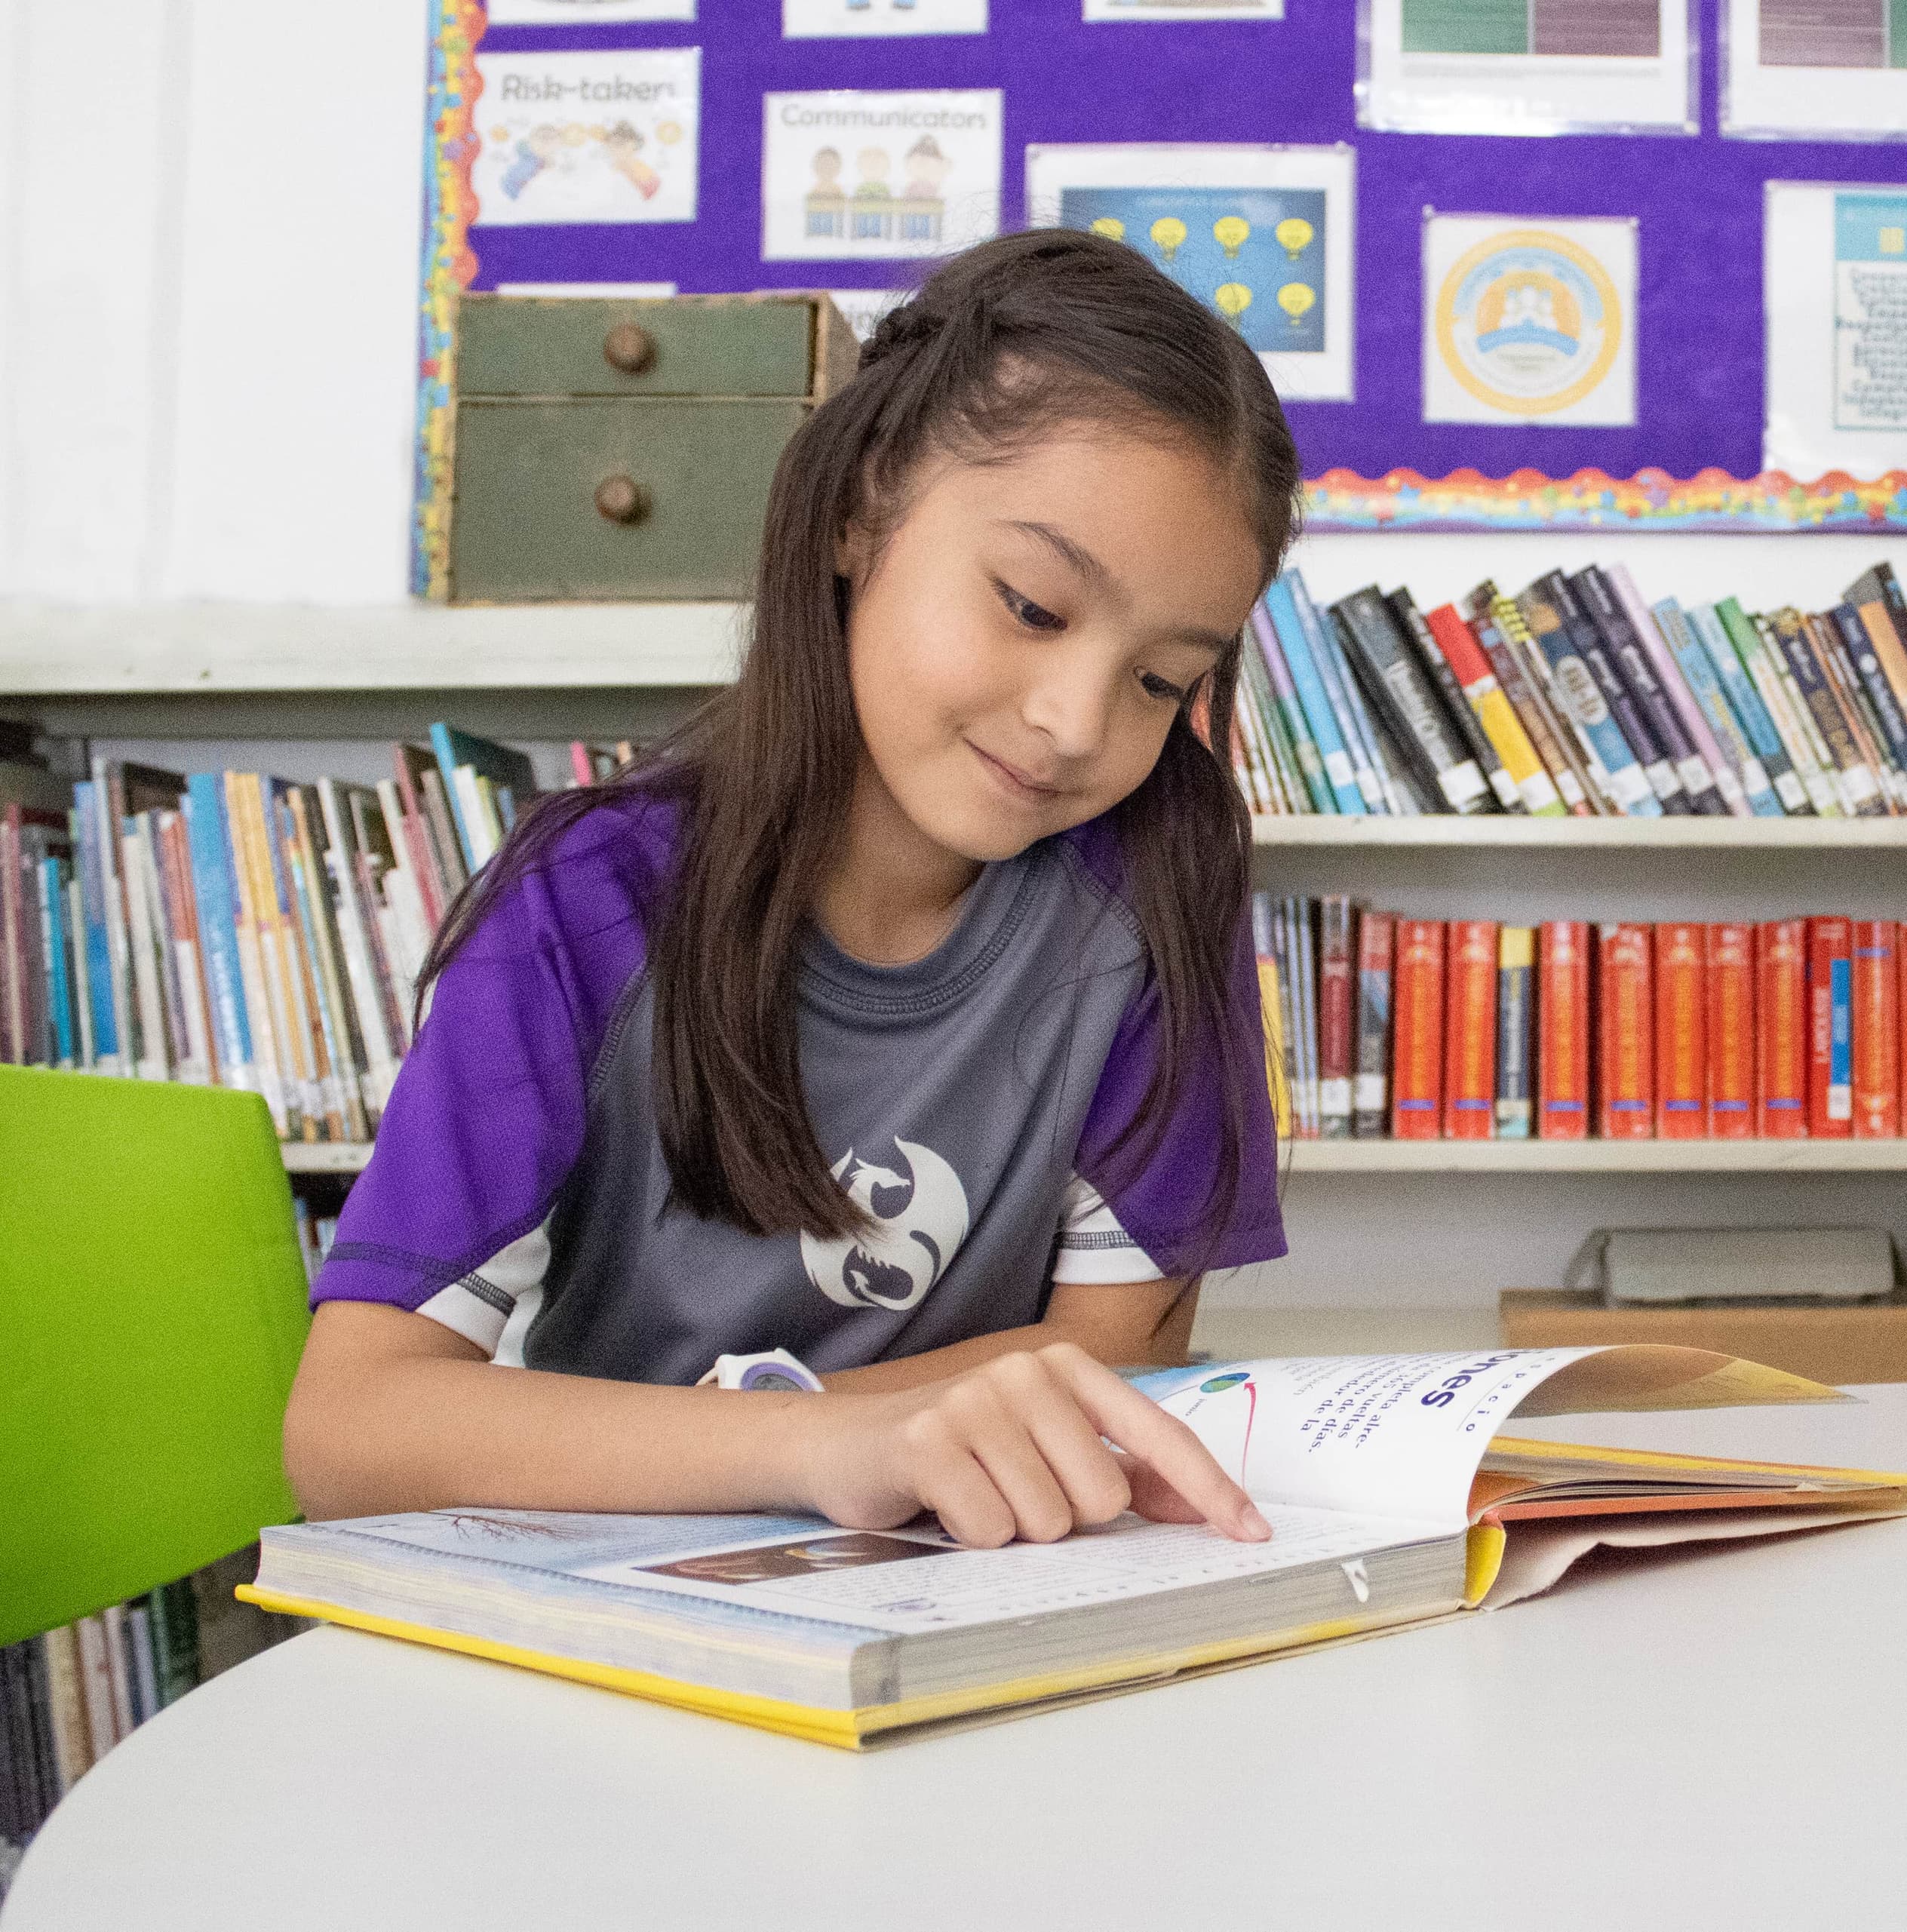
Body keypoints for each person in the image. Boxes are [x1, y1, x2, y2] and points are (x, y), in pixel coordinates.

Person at [284, 230, 1297, 1555]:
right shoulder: (588, 901)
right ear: (858, 508)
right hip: (625, 1610)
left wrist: (851, 1443)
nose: (1073, 722)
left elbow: (1108, 1385)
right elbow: (348, 1431)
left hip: (978, 1606)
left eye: (1163, 680)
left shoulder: (1156, 904)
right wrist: (822, 1443)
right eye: (1035, 606)